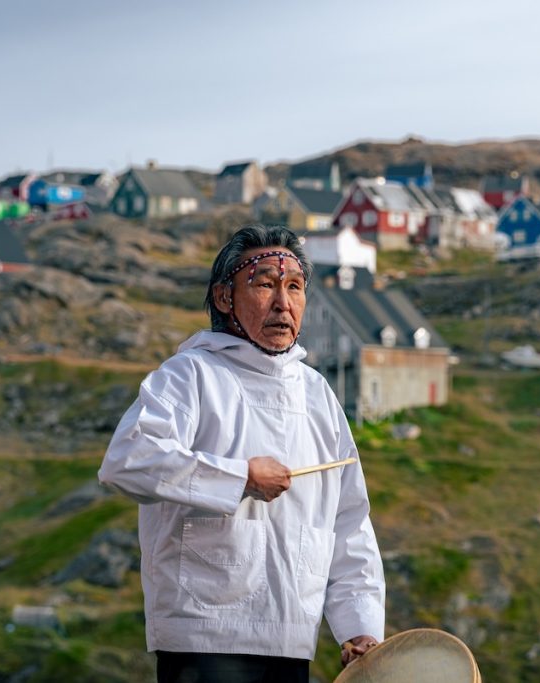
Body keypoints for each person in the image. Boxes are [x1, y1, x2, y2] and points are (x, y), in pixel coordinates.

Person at [99, 224, 385, 682]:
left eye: (294, 287)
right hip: (202, 639)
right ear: (223, 298)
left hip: (292, 640)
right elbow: (127, 459)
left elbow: (348, 522)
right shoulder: (189, 375)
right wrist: (239, 478)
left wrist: (360, 626)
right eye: (264, 284)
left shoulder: (317, 394)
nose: (283, 303)